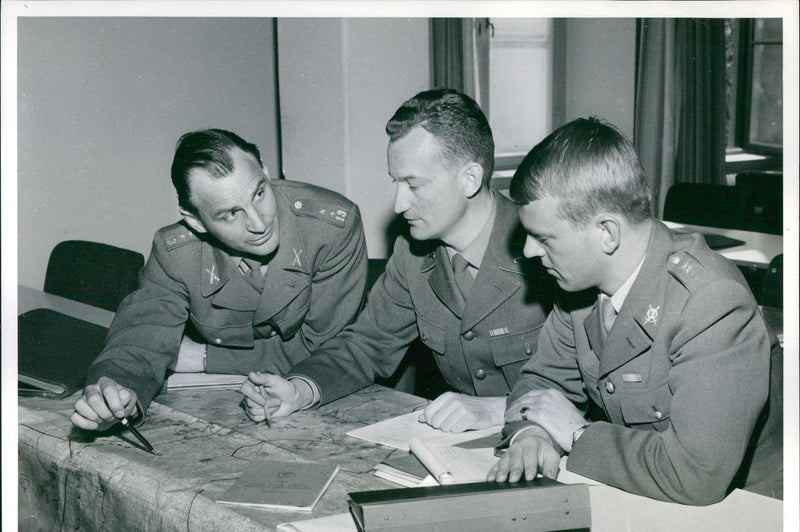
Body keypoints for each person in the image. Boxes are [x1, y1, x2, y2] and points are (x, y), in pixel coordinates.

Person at [487, 117, 783, 504]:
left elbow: (695, 474)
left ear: (607, 232)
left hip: (752, 509)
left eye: (543, 237)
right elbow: (541, 383)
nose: (528, 251)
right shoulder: (578, 285)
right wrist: (533, 434)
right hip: (643, 492)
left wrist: (576, 433)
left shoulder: (711, 302)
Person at [241, 89, 555, 431]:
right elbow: (367, 344)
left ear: (470, 179)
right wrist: (300, 390)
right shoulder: (412, 253)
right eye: (396, 183)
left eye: (414, 186)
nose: (398, 204)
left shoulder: (547, 250)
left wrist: (500, 409)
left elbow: (585, 388)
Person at [71, 129, 367, 431]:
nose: (259, 223)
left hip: (331, 401)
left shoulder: (332, 228)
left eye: (259, 193)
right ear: (196, 221)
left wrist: (203, 357)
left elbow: (325, 350)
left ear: (265, 171)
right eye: (230, 215)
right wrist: (115, 392)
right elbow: (141, 337)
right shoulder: (176, 252)